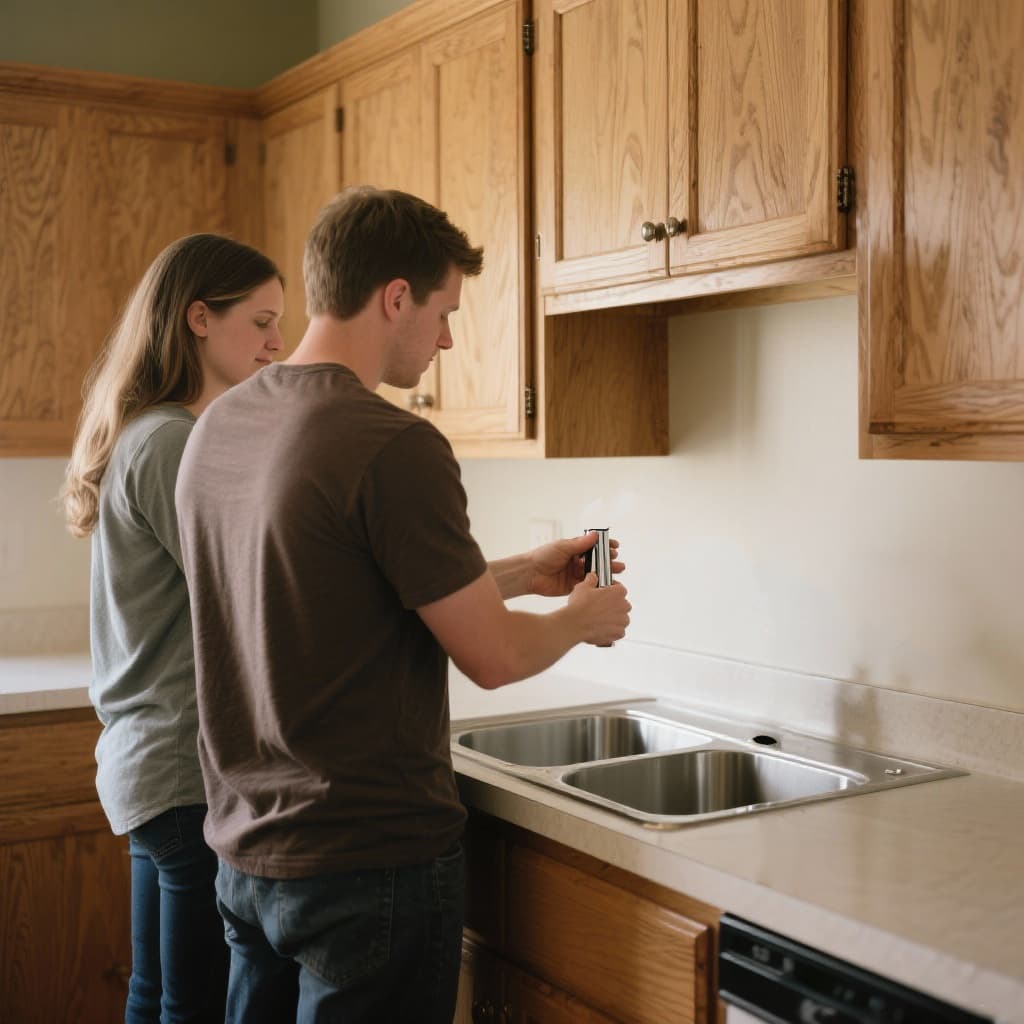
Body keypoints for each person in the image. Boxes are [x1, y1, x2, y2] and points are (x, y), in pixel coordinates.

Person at [174, 187, 631, 1024]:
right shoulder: (391, 441)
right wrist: (581, 621)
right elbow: (492, 660)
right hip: (367, 865)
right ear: (395, 297)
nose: (449, 336)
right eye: (444, 308)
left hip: (247, 853)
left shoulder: (221, 425)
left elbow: (334, 589)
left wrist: (526, 574)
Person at [61, 233, 285, 1024]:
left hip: (150, 769)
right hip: (181, 773)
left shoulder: (148, 433)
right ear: (198, 317)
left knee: (157, 998)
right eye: (259, 321)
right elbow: (249, 595)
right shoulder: (171, 442)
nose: (276, 342)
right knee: (189, 1007)